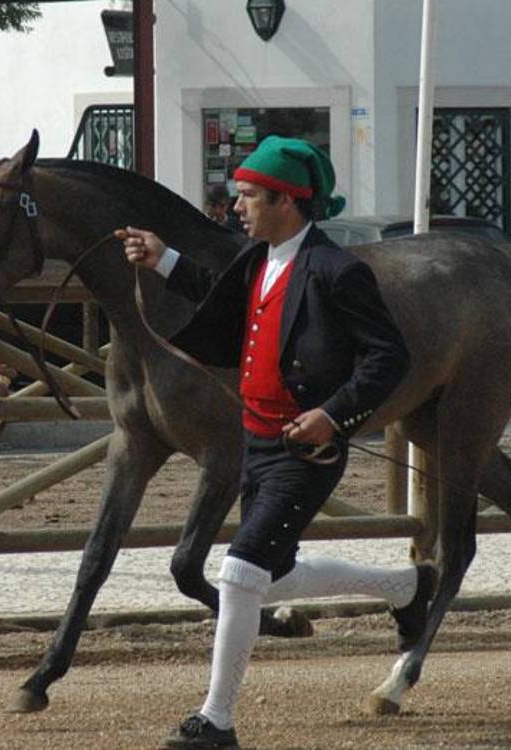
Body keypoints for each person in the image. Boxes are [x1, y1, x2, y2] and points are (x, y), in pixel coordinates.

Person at [119, 136, 436, 750]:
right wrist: (161, 258)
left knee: (239, 572)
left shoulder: (338, 270)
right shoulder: (258, 259)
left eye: (248, 196)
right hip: (256, 444)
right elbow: (217, 293)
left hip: (307, 452)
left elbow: (388, 358)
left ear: (286, 201)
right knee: (272, 576)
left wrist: (333, 415)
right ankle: (406, 587)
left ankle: (217, 720)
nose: (236, 206)